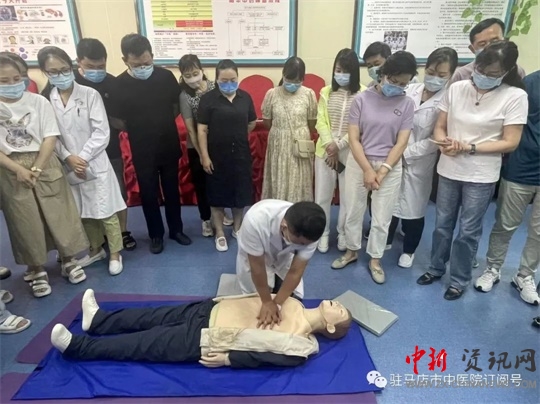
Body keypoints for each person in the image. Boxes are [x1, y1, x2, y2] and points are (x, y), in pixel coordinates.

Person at [417, 41, 528, 300]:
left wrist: (470, 147)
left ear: (506, 71)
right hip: (448, 168)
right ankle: (436, 267)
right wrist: (444, 142)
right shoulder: (457, 88)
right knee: (442, 224)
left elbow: (511, 142)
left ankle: (459, 279)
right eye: (480, 69)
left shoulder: (515, 96)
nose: (483, 76)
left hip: (481, 174)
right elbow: (440, 126)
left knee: (468, 230)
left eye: (492, 73)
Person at [51, 288, 352, 367]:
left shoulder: (301, 345)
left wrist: (230, 359)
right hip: (209, 309)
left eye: (340, 312)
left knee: (141, 343)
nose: (337, 304)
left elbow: (268, 357)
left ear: (329, 326)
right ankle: (98, 320)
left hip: (206, 338)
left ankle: (77, 347)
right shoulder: (293, 298)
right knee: (149, 316)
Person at [0, 55, 89, 297]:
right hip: (10, 166)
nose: (12, 84)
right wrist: (19, 169)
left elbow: (50, 136)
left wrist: (37, 168)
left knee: (59, 212)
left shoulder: (38, 101)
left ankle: (68, 259)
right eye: (4, 80)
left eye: (16, 78)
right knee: (24, 219)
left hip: (44, 160)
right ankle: (36, 268)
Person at [38, 46, 125, 276]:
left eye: (64, 69)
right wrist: (68, 157)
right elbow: (50, 135)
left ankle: (115, 253)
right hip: (69, 163)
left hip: (94, 161)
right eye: (53, 71)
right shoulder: (47, 100)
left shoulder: (89, 94)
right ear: (45, 72)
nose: (60, 75)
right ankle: (96, 249)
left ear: (72, 67)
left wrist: (82, 157)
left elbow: (102, 132)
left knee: (106, 210)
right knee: (84, 211)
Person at [332, 51, 416, 285]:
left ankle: (376, 259)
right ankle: (351, 251)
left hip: (390, 166)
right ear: (383, 74)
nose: (397, 87)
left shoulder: (407, 104)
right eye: (394, 81)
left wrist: (383, 170)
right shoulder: (361, 99)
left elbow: (401, 142)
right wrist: (368, 170)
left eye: (403, 84)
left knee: (381, 217)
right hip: (359, 162)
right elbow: (354, 138)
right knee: (353, 210)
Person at [115, 34, 191, 254]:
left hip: (168, 144)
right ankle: (155, 235)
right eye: (137, 65)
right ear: (125, 60)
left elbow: (176, 106)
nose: (143, 68)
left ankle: (176, 230)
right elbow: (117, 118)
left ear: (152, 56)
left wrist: (161, 124)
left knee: (172, 191)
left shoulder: (165, 77)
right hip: (142, 148)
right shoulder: (120, 84)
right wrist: (139, 129)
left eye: (147, 63)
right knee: (148, 194)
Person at [387, 47, 458, 268]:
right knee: (389, 201)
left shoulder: (449, 100)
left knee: (414, 208)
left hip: (420, 161)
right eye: (430, 72)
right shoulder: (410, 89)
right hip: (393, 153)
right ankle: (386, 239)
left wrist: (406, 153)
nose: (434, 78)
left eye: (441, 75)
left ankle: (409, 250)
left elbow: (438, 138)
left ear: (451, 74)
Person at [474, 70, 540, 305]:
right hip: (521, 168)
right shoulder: (530, 84)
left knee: (539, 232)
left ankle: (525, 275)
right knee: (505, 224)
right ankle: (493, 268)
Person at [74, 38, 136, 251]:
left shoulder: (112, 83)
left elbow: (123, 119)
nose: (96, 71)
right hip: (78, 151)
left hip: (110, 150)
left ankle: (122, 232)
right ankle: (97, 238)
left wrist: (110, 121)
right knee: (86, 195)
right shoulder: (69, 83)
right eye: (90, 66)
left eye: (101, 66)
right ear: (79, 61)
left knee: (118, 191)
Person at [197, 59, 257, 252]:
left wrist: (237, 135)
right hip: (216, 155)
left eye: (233, 80)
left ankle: (238, 228)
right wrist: (204, 156)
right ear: (216, 79)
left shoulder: (245, 97)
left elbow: (252, 122)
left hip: (240, 154)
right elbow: (202, 130)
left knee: (240, 194)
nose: (229, 84)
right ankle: (220, 233)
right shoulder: (208, 100)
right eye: (224, 80)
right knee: (217, 196)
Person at [236, 200, 326, 327]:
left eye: (305, 244)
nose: (304, 246)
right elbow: (257, 267)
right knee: (254, 304)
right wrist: (267, 302)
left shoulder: (312, 232)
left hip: (284, 257)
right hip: (255, 256)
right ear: (284, 227)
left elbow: (296, 271)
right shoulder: (255, 221)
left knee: (290, 302)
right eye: (300, 243)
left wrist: (277, 303)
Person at [178, 54, 233, 238]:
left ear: (201, 70)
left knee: (219, 181)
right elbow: (191, 129)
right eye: (187, 75)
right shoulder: (185, 96)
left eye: (195, 73)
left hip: (217, 144)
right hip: (196, 147)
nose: (192, 78)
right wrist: (202, 153)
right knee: (201, 184)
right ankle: (206, 219)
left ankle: (221, 212)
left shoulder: (214, 87)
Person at [314, 48, 364, 253]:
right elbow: (320, 121)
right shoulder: (326, 92)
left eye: (346, 71)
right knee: (322, 196)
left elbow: (360, 125)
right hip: (325, 151)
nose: (341, 74)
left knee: (347, 197)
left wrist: (340, 145)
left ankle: (343, 232)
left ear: (354, 72)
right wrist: (330, 145)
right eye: (338, 70)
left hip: (350, 151)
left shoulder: (363, 94)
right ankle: (322, 233)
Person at [261, 57, 317, 202]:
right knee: (278, 177)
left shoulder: (309, 94)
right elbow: (267, 122)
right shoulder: (272, 94)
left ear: (303, 78)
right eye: (289, 79)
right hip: (278, 144)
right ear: (283, 74)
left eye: (297, 81)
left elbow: (312, 123)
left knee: (299, 180)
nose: (292, 84)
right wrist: (281, 131)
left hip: (300, 145)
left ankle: (299, 212)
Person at [450, 18, 526, 84]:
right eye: (482, 44)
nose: (490, 47)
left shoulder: (517, 71)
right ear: (472, 49)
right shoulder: (460, 75)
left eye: (495, 42)